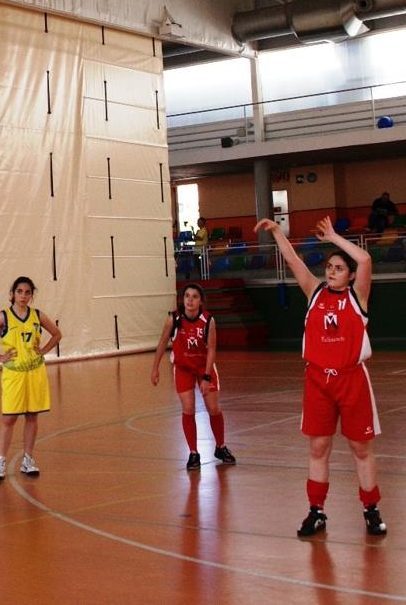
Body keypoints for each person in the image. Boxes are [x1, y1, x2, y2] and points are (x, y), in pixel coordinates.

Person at [253, 216, 386, 538]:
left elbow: (365, 258)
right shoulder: (314, 293)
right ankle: (317, 511)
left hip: (351, 379)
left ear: (351, 276)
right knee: (318, 448)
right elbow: (293, 260)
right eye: (329, 266)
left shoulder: (358, 298)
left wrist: (334, 237)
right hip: (317, 381)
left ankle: (371, 510)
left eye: (339, 268)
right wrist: (276, 232)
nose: (331, 271)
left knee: (360, 448)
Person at [0, 276, 62, 481]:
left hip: (34, 373)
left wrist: (43, 351)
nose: (23, 296)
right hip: (14, 374)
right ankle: (0, 461)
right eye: (19, 291)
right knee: (9, 418)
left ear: (32, 295)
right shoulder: (4, 316)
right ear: (13, 293)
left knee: (32, 416)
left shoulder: (37, 316)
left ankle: (28, 459)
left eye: (27, 292)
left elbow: (57, 334)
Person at [150, 283, 236, 471]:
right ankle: (193, 452)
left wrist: (206, 376)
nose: (190, 300)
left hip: (203, 367)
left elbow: (212, 349)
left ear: (200, 301)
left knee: (213, 408)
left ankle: (220, 447)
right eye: (187, 296)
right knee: (188, 408)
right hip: (183, 368)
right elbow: (162, 343)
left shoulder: (208, 320)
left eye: (194, 296)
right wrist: (155, 368)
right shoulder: (173, 319)